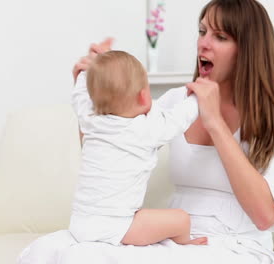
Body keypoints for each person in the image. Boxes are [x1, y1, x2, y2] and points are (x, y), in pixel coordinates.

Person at [19, 0, 274, 263]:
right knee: (49, 251)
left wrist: (215, 123)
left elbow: (266, 218)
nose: (203, 43)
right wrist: (96, 99)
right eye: (202, 31)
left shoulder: (273, 114)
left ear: (247, 50)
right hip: (173, 239)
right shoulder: (176, 102)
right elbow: (112, 147)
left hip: (238, 245)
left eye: (220, 37)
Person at [70, 49, 207, 247]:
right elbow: (179, 119)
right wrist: (198, 98)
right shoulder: (146, 129)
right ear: (144, 97)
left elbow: (80, 96)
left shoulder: (89, 119)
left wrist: (84, 75)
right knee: (181, 219)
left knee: (146, 215)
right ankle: (184, 247)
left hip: (79, 223)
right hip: (116, 227)